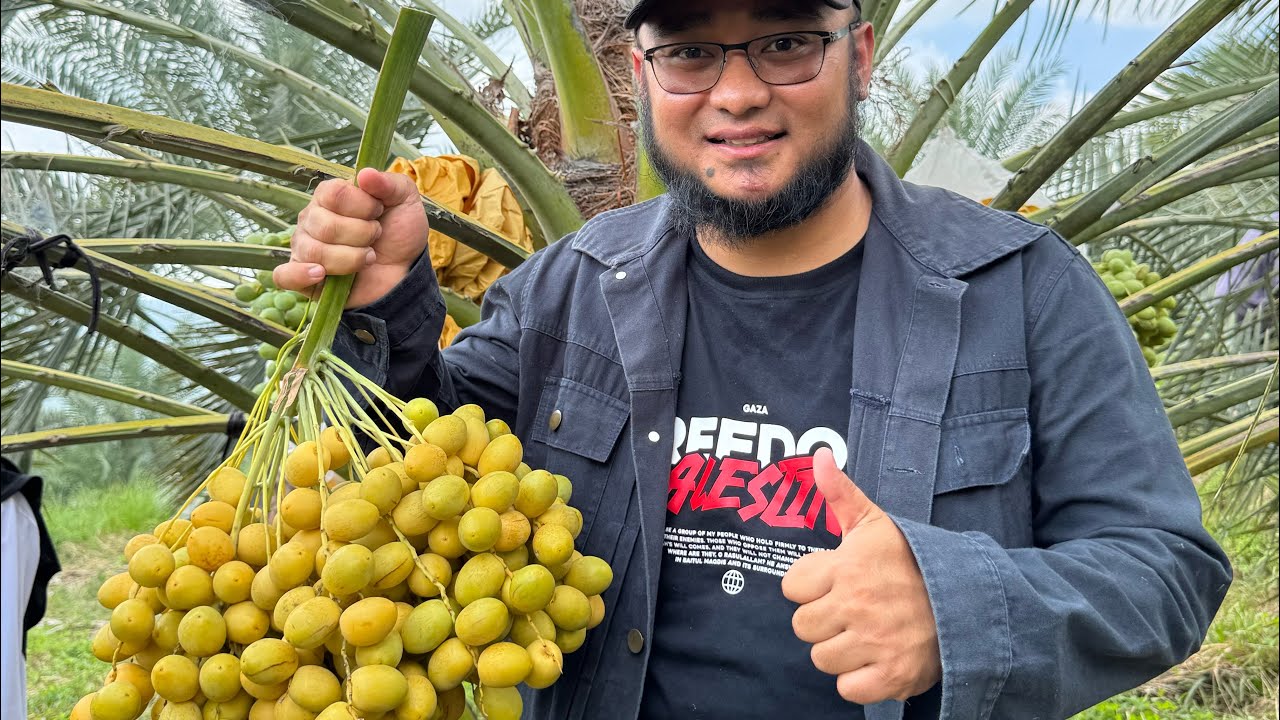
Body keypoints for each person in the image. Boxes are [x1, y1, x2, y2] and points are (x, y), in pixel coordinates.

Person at [273, 0, 1232, 717]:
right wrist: (382, 309)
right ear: (645, 78)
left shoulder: (1021, 289)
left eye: (784, 41)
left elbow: (1165, 572)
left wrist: (958, 608)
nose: (736, 93)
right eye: (689, 53)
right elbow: (401, 474)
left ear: (856, 53)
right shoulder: (569, 287)